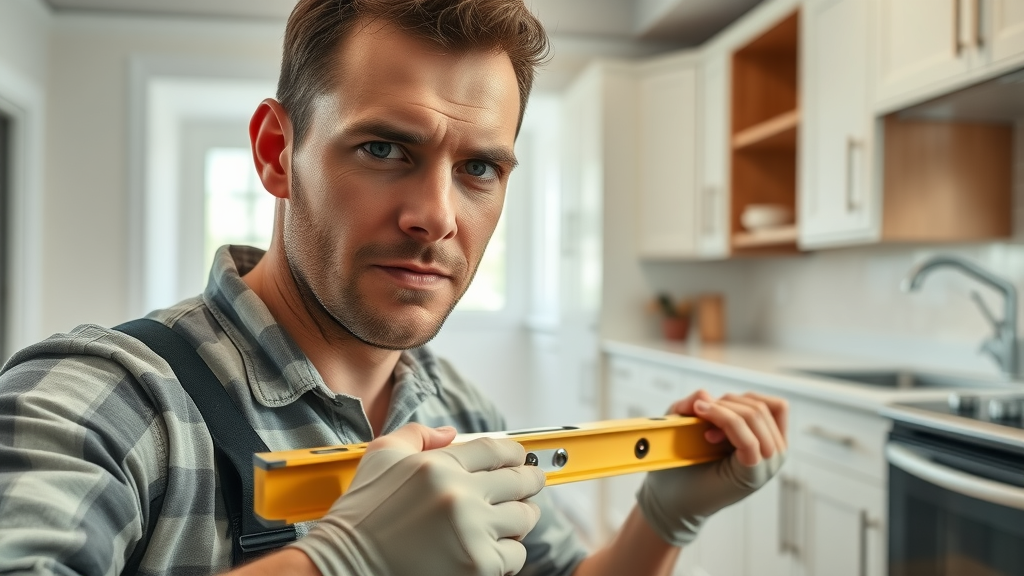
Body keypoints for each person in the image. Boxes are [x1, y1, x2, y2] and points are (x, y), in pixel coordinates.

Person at [0, 0, 787, 575]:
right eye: (384, 148)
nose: (436, 216)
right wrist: (338, 563)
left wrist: (663, 517)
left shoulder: (465, 416)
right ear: (278, 152)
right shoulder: (104, 402)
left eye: (479, 168)